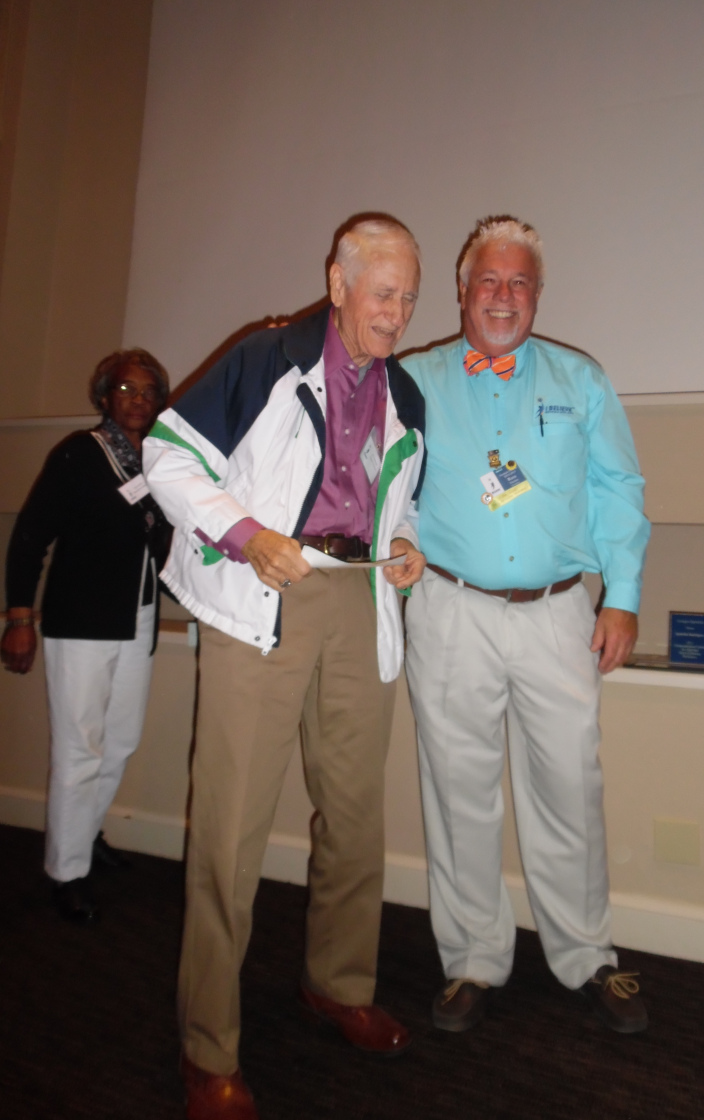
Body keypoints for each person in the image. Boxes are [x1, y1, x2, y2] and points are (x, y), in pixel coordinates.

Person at [142, 217, 426, 1120]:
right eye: (383, 293)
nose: (397, 313)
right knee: (231, 829)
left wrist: (405, 543)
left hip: (355, 596)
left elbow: (398, 500)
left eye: (409, 297)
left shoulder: (407, 393)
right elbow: (165, 456)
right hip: (265, 589)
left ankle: (338, 984)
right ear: (337, 284)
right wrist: (246, 534)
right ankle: (207, 1047)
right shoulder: (264, 358)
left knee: (355, 812)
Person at [401, 216, 651, 1037]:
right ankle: (472, 958)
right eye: (489, 280)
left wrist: (623, 594)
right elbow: (378, 484)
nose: (503, 296)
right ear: (462, 289)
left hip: (557, 612)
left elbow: (617, 487)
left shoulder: (581, 378)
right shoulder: (413, 380)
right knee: (457, 789)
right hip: (450, 608)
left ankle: (586, 955)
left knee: (571, 787)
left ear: (537, 294)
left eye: (519, 283)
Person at [1, 349, 171, 922]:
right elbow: (30, 536)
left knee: (120, 741)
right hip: (81, 621)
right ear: (103, 397)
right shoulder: (80, 453)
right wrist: (19, 618)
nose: (138, 400)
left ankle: (85, 833)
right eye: (126, 389)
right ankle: (66, 871)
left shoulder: (160, 460)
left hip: (137, 619)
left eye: (148, 392)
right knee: (80, 749)